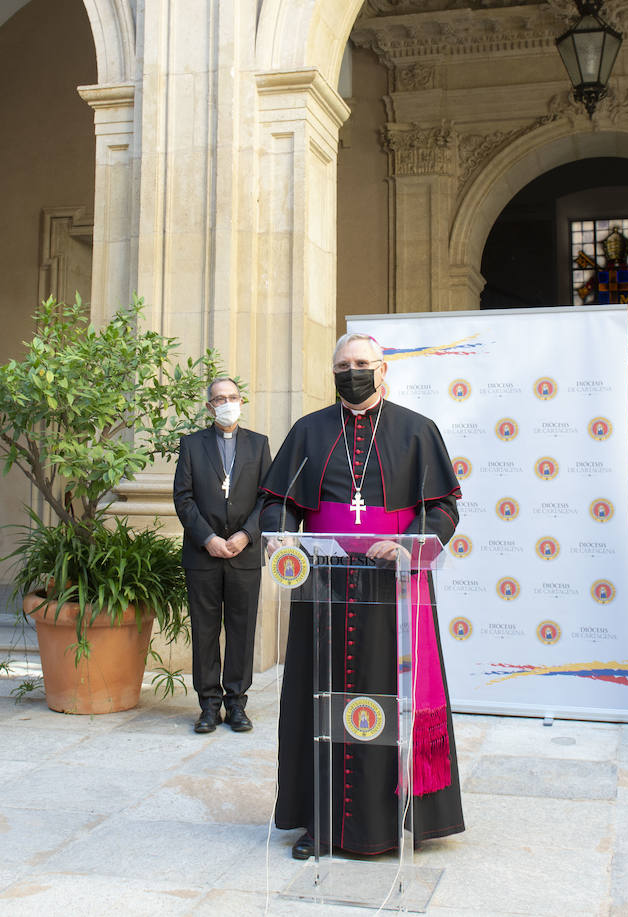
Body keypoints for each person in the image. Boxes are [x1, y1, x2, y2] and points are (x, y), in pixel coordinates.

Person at [260, 333, 465, 859]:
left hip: (391, 591)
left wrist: (404, 543)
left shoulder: (417, 430)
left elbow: (443, 511)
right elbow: (278, 502)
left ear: (383, 369)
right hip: (323, 590)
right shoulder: (309, 432)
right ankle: (318, 823)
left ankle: (392, 819)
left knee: (386, 700)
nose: (351, 371)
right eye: (342, 365)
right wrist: (281, 534)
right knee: (317, 702)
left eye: (361, 363)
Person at [172, 376, 272, 734]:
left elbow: (267, 499)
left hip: (244, 554)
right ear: (209, 406)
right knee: (205, 630)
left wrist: (246, 535)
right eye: (219, 398)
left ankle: (237, 703)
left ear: (241, 401)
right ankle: (209, 706)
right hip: (204, 555)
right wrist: (208, 538)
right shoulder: (192, 444)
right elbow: (183, 498)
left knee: (242, 630)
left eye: (232, 396)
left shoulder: (259, 445)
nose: (226, 402)